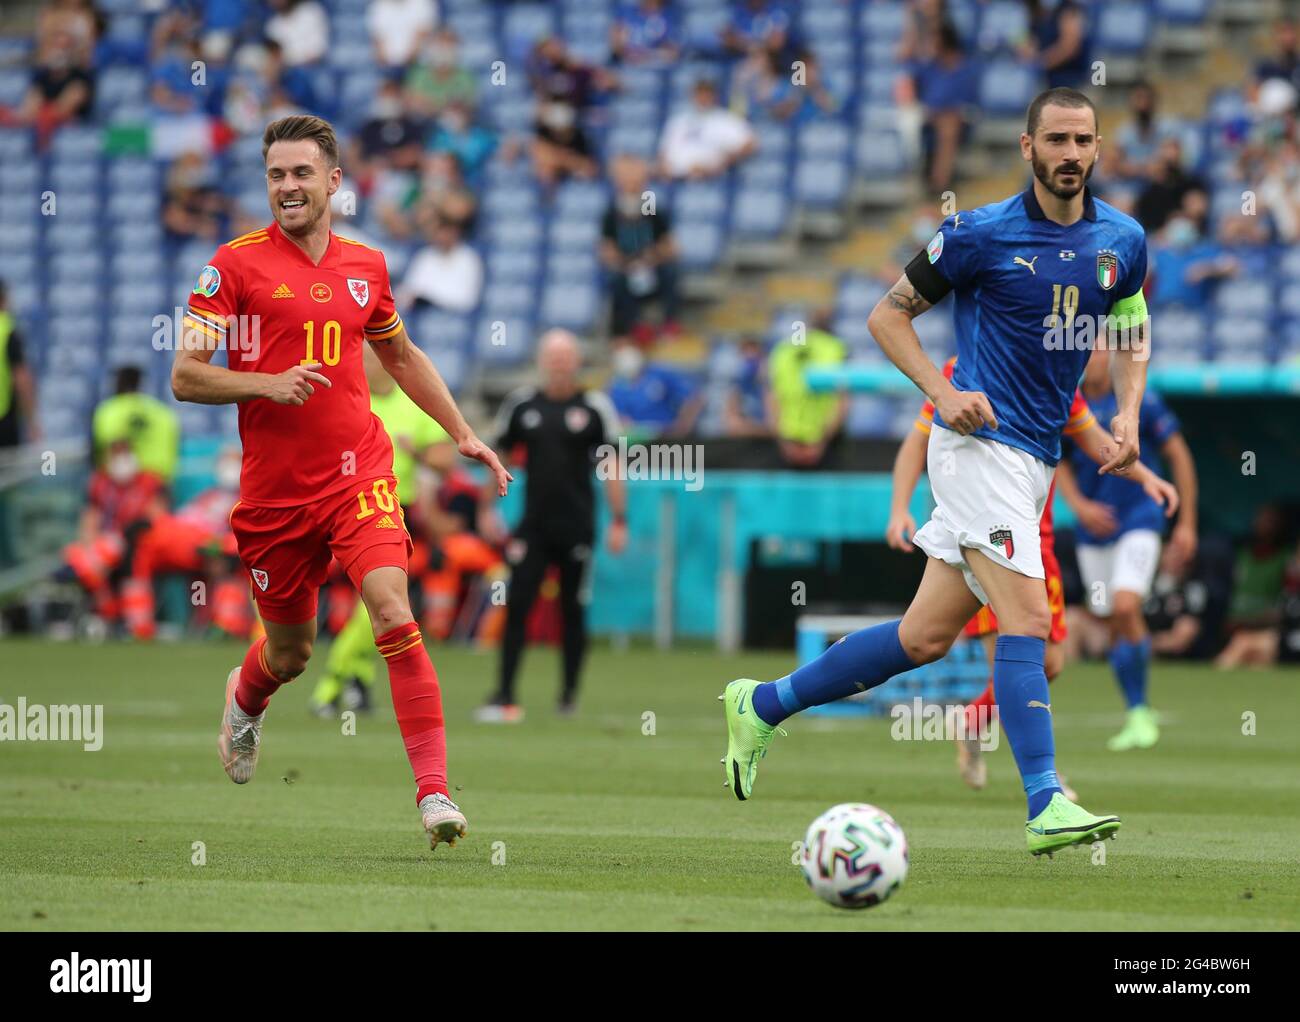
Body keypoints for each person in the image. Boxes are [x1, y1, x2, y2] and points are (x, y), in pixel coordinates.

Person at [721, 88, 1149, 856]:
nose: (1071, 154)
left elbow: (1131, 326)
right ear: (1028, 148)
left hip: (1036, 461)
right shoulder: (978, 234)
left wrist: (1126, 413)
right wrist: (943, 392)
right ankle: (1046, 800)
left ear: (1097, 147)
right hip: (980, 450)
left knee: (923, 639)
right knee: (1028, 623)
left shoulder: (1123, 240)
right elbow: (887, 316)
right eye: (1056, 139)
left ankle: (762, 704)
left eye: (1083, 140)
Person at [171, 114, 511, 851]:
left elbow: (404, 356)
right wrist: (265, 382)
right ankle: (246, 697)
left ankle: (435, 794)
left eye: (301, 173)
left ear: (334, 181)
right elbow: (186, 375)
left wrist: (462, 432)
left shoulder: (368, 267)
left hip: (360, 476)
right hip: (273, 498)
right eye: (275, 175)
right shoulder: (231, 266)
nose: (287, 187)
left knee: (391, 610)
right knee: (290, 654)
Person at [888, 355, 1179, 792]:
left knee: (1050, 662)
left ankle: (973, 720)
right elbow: (918, 440)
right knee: (1012, 655)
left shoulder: (1056, 373)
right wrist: (898, 509)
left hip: (1037, 543)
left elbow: (1093, 439)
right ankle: (1046, 781)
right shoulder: (963, 368)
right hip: (984, 534)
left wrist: (1144, 477)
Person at [477, 330, 627, 722]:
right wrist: (486, 509)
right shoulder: (522, 406)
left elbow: (612, 465)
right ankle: (505, 693)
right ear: (543, 361)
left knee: (573, 610)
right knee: (518, 606)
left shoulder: (594, 408)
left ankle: (568, 696)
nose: (560, 364)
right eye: (553, 357)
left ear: (576, 362)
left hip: (578, 527)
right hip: (533, 528)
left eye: (566, 357)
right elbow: (499, 457)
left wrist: (619, 520)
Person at [1056, 346, 1198, 752]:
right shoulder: (1070, 398)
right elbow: (1062, 461)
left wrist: (1186, 522)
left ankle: (1138, 710)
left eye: (1101, 348)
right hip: (1094, 530)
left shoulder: (1140, 402)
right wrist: (1079, 507)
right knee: (1109, 616)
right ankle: (1137, 707)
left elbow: (1179, 456)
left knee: (1123, 606)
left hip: (1140, 518)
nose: (1094, 355)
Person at [601, 154, 680, 343]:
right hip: (627, 267)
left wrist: (652, 256)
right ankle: (633, 327)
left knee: (670, 273)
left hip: (652, 264)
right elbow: (606, 248)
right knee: (619, 281)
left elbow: (667, 243)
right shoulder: (614, 210)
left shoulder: (648, 202)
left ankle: (669, 323)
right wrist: (626, 262)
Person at [766, 310, 848, 468]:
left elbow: (771, 396)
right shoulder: (836, 348)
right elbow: (842, 400)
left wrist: (782, 441)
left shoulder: (782, 349)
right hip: (821, 438)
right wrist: (823, 442)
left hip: (788, 438)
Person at [92, 366, 181, 485]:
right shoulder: (163, 411)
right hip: (160, 482)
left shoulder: (110, 410)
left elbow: (114, 446)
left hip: (127, 484)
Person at [658, 79, 756, 181]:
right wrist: (665, 168)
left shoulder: (726, 120)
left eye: (706, 94)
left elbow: (750, 144)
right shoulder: (678, 122)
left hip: (711, 178)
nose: (702, 98)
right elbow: (664, 153)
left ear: (714, 96)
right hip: (677, 177)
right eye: (699, 94)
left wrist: (724, 163)